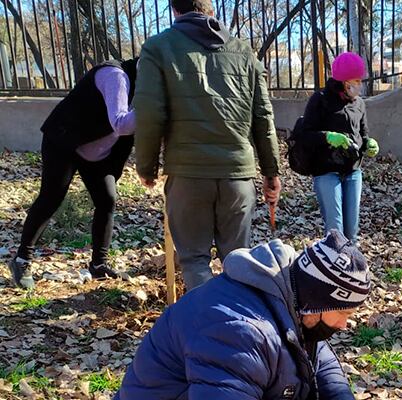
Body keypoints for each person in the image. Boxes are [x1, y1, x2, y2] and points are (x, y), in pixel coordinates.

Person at [115, 230, 370, 399]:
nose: (345, 324)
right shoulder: (237, 330)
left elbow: (321, 367)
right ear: (315, 302)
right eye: (343, 311)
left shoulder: (294, 305)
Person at [134, 0, 281, 291]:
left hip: (188, 175)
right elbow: (263, 116)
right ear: (210, 10)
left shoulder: (158, 48)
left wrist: (146, 167)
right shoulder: (244, 53)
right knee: (238, 261)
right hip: (237, 175)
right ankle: (239, 329)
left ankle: (205, 330)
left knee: (194, 260)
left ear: (174, 10)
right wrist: (271, 171)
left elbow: (150, 113)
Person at [7, 58, 139, 289]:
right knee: (51, 198)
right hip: (64, 139)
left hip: (96, 149)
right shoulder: (115, 77)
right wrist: (155, 110)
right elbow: (121, 123)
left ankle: (99, 265)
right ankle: (22, 259)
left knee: (107, 200)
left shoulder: (147, 86)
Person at [301, 52, 379, 244]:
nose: (359, 85)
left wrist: (369, 144)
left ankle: (351, 270)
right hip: (326, 171)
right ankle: (333, 270)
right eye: (356, 80)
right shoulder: (319, 99)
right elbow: (305, 135)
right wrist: (327, 137)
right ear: (343, 81)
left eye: (361, 80)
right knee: (335, 232)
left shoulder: (359, 103)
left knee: (351, 232)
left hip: (353, 171)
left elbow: (363, 133)